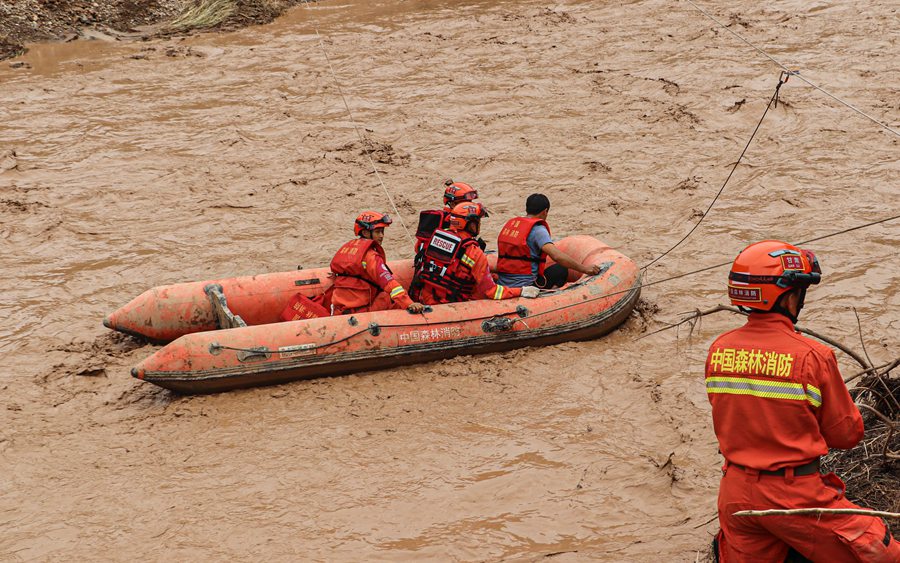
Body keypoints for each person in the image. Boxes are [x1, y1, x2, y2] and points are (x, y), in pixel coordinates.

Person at [706, 240, 900, 562]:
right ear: (788, 295)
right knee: (883, 552)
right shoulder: (813, 356)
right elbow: (847, 435)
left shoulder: (719, 349)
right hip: (794, 494)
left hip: (735, 493)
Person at [411, 202, 540, 305]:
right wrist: (521, 291)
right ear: (469, 224)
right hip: (451, 304)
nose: (478, 225)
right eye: (477, 222)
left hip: (426, 297)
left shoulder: (435, 236)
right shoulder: (474, 252)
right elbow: (493, 292)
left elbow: (420, 251)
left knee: (493, 276)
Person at [496, 193, 602, 289]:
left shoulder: (512, 225)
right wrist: (584, 269)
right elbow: (556, 256)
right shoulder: (538, 230)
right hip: (526, 286)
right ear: (545, 211)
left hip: (503, 284)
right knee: (561, 269)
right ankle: (551, 294)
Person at [330, 211, 425, 316]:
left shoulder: (347, 248)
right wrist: (409, 303)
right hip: (361, 311)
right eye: (378, 232)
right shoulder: (371, 256)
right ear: (366, 233)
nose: (381, 236)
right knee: (388, 298)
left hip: (340, 310)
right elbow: (388, 282)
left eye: (382, 232)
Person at [414, 179, 487, 256]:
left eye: (470, 201)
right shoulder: (452, 222)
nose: (469, 205)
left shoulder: (439, 218)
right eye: (465, 202)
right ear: (452, 204)